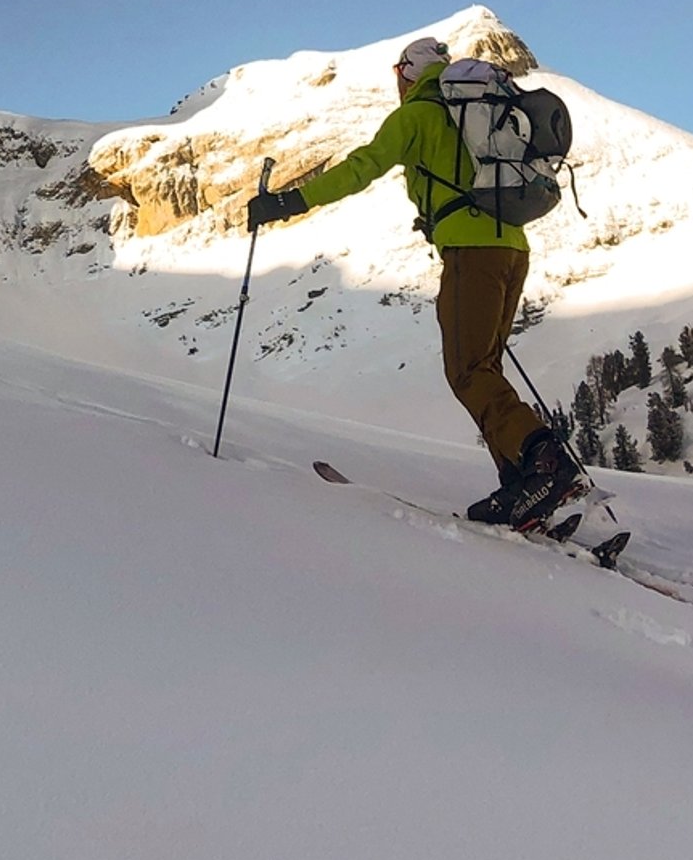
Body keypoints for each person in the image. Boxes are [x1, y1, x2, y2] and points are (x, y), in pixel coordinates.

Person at [247, 36, 583, 529]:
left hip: (473, 253)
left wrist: (287, 204)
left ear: (408, 73)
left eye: (398, 72)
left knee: (468, 370)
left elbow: (361, 168)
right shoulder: (477, 115)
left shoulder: (418, 115)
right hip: (512, 248)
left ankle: (544, 464)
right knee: (484, 366)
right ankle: (518, 483)